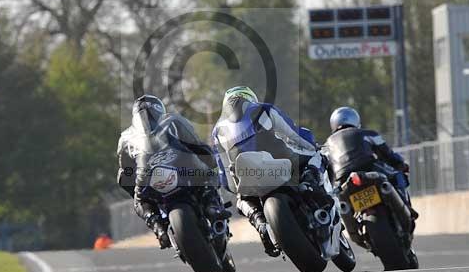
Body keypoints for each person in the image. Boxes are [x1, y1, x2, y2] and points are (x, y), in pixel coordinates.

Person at [212, 86, 329, 257]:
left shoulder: (217, 130)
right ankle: (311, 190)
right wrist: (312, 147)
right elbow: (293, 134)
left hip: (247, 174)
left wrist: (236, 189)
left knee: (242, 199)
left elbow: (223, 172)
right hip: (278, 159)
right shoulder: (263, 109)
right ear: (250, 98)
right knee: (315, 157)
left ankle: (260, 223)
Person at [117, 94, 228, 249]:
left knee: (140, 200)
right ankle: (212, 207)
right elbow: (197, 145)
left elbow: (126, 175)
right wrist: (211, 166)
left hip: (148, 177)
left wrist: (137, 193)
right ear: (160, 109)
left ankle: (158, 227)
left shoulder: (125, 138)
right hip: (183, 167)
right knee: (205, 175)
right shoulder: (173, 120)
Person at [324, 106, 415, 213]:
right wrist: (400, 164)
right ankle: (407, 208)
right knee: (398, 175)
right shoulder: (367, 133)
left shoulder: (327, 146)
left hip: (343, 178)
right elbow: (387, 153)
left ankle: (348, 224)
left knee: (336, 202)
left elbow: (326, 170)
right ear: (355, 120)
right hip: (369, 168)